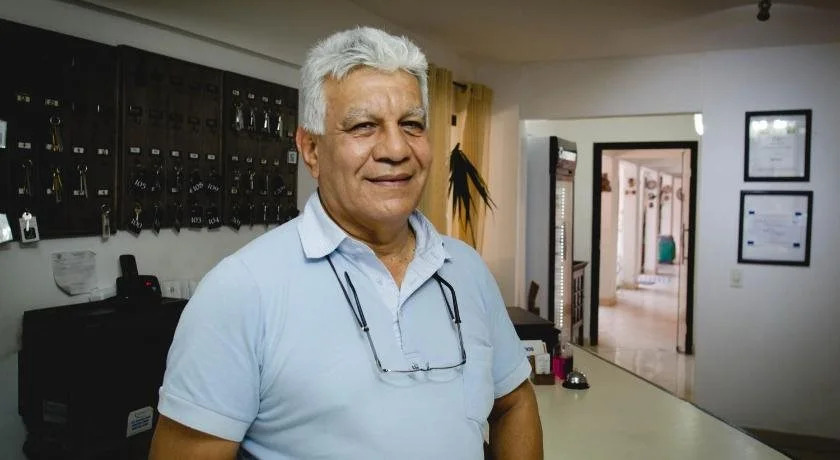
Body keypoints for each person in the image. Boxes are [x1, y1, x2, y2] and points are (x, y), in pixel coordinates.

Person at [150, 26, 542, 460]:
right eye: (363, 126)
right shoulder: (242, 291)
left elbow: (514, 402)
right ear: (311, 149)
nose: (396, 149)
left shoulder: (466, 270)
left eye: (411, 125)